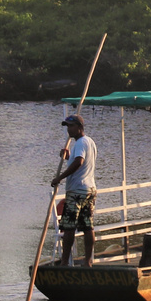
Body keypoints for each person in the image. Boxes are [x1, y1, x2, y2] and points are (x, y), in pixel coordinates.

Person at [52, 113, 98, 266]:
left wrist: (60, 177)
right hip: (89, 188)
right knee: (87, 225)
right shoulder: (89, 142)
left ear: (79, 127)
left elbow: (79, 162)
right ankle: (88, 261)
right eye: (67, 127)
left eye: (71, 126)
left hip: (77, 190)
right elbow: (79, 161)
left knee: (69, 226)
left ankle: (64, 262)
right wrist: (68, 157)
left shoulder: (80, 143)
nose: (68, 130)